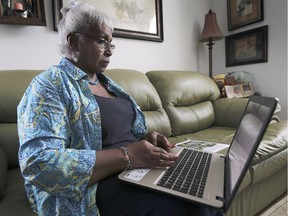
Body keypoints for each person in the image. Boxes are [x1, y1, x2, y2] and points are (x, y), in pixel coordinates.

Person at [17, 3, 223, 216]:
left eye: (111, 44)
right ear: (74, 41)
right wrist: (127, 155)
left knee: (207, 195)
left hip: (136, 169)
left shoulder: (109, 84)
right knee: (187, 209)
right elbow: (39, 163)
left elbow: (116, 134)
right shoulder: (49, 86)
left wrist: (144, 138)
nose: (109, 51)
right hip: (97, 184)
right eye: (101, 41)